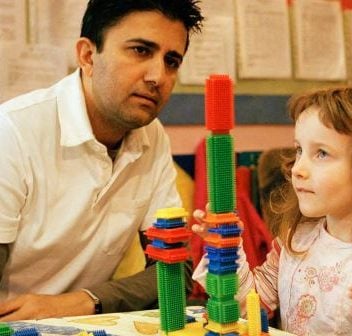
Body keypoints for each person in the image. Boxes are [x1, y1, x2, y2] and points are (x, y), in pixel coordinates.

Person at [0, 0, 203, 321]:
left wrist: (83, 301)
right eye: (140, 50)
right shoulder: (13, 131)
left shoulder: (153, 137)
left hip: (86, 322)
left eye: (172, 61)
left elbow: (174, 273)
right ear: (87, 55)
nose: (157, 76)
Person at [192, 84, 352, 335]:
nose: (297, 168)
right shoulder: (294, 243)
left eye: (321, 153)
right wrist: (225, 248)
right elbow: (250, 308)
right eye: (299, 150)